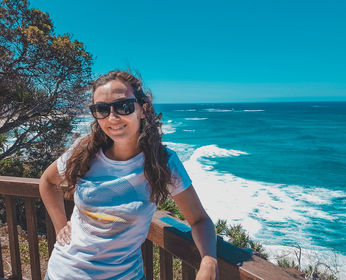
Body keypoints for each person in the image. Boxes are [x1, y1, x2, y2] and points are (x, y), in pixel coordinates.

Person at [39, 70, 218, 280]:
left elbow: (199, 219)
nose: (112, 117)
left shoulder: (162, 162)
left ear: (143, 109)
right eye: (101, 109)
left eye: (123, 106)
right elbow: (48, 181)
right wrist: (61, 226)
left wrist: (209, 261)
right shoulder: (84, 150)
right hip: (64, 273)